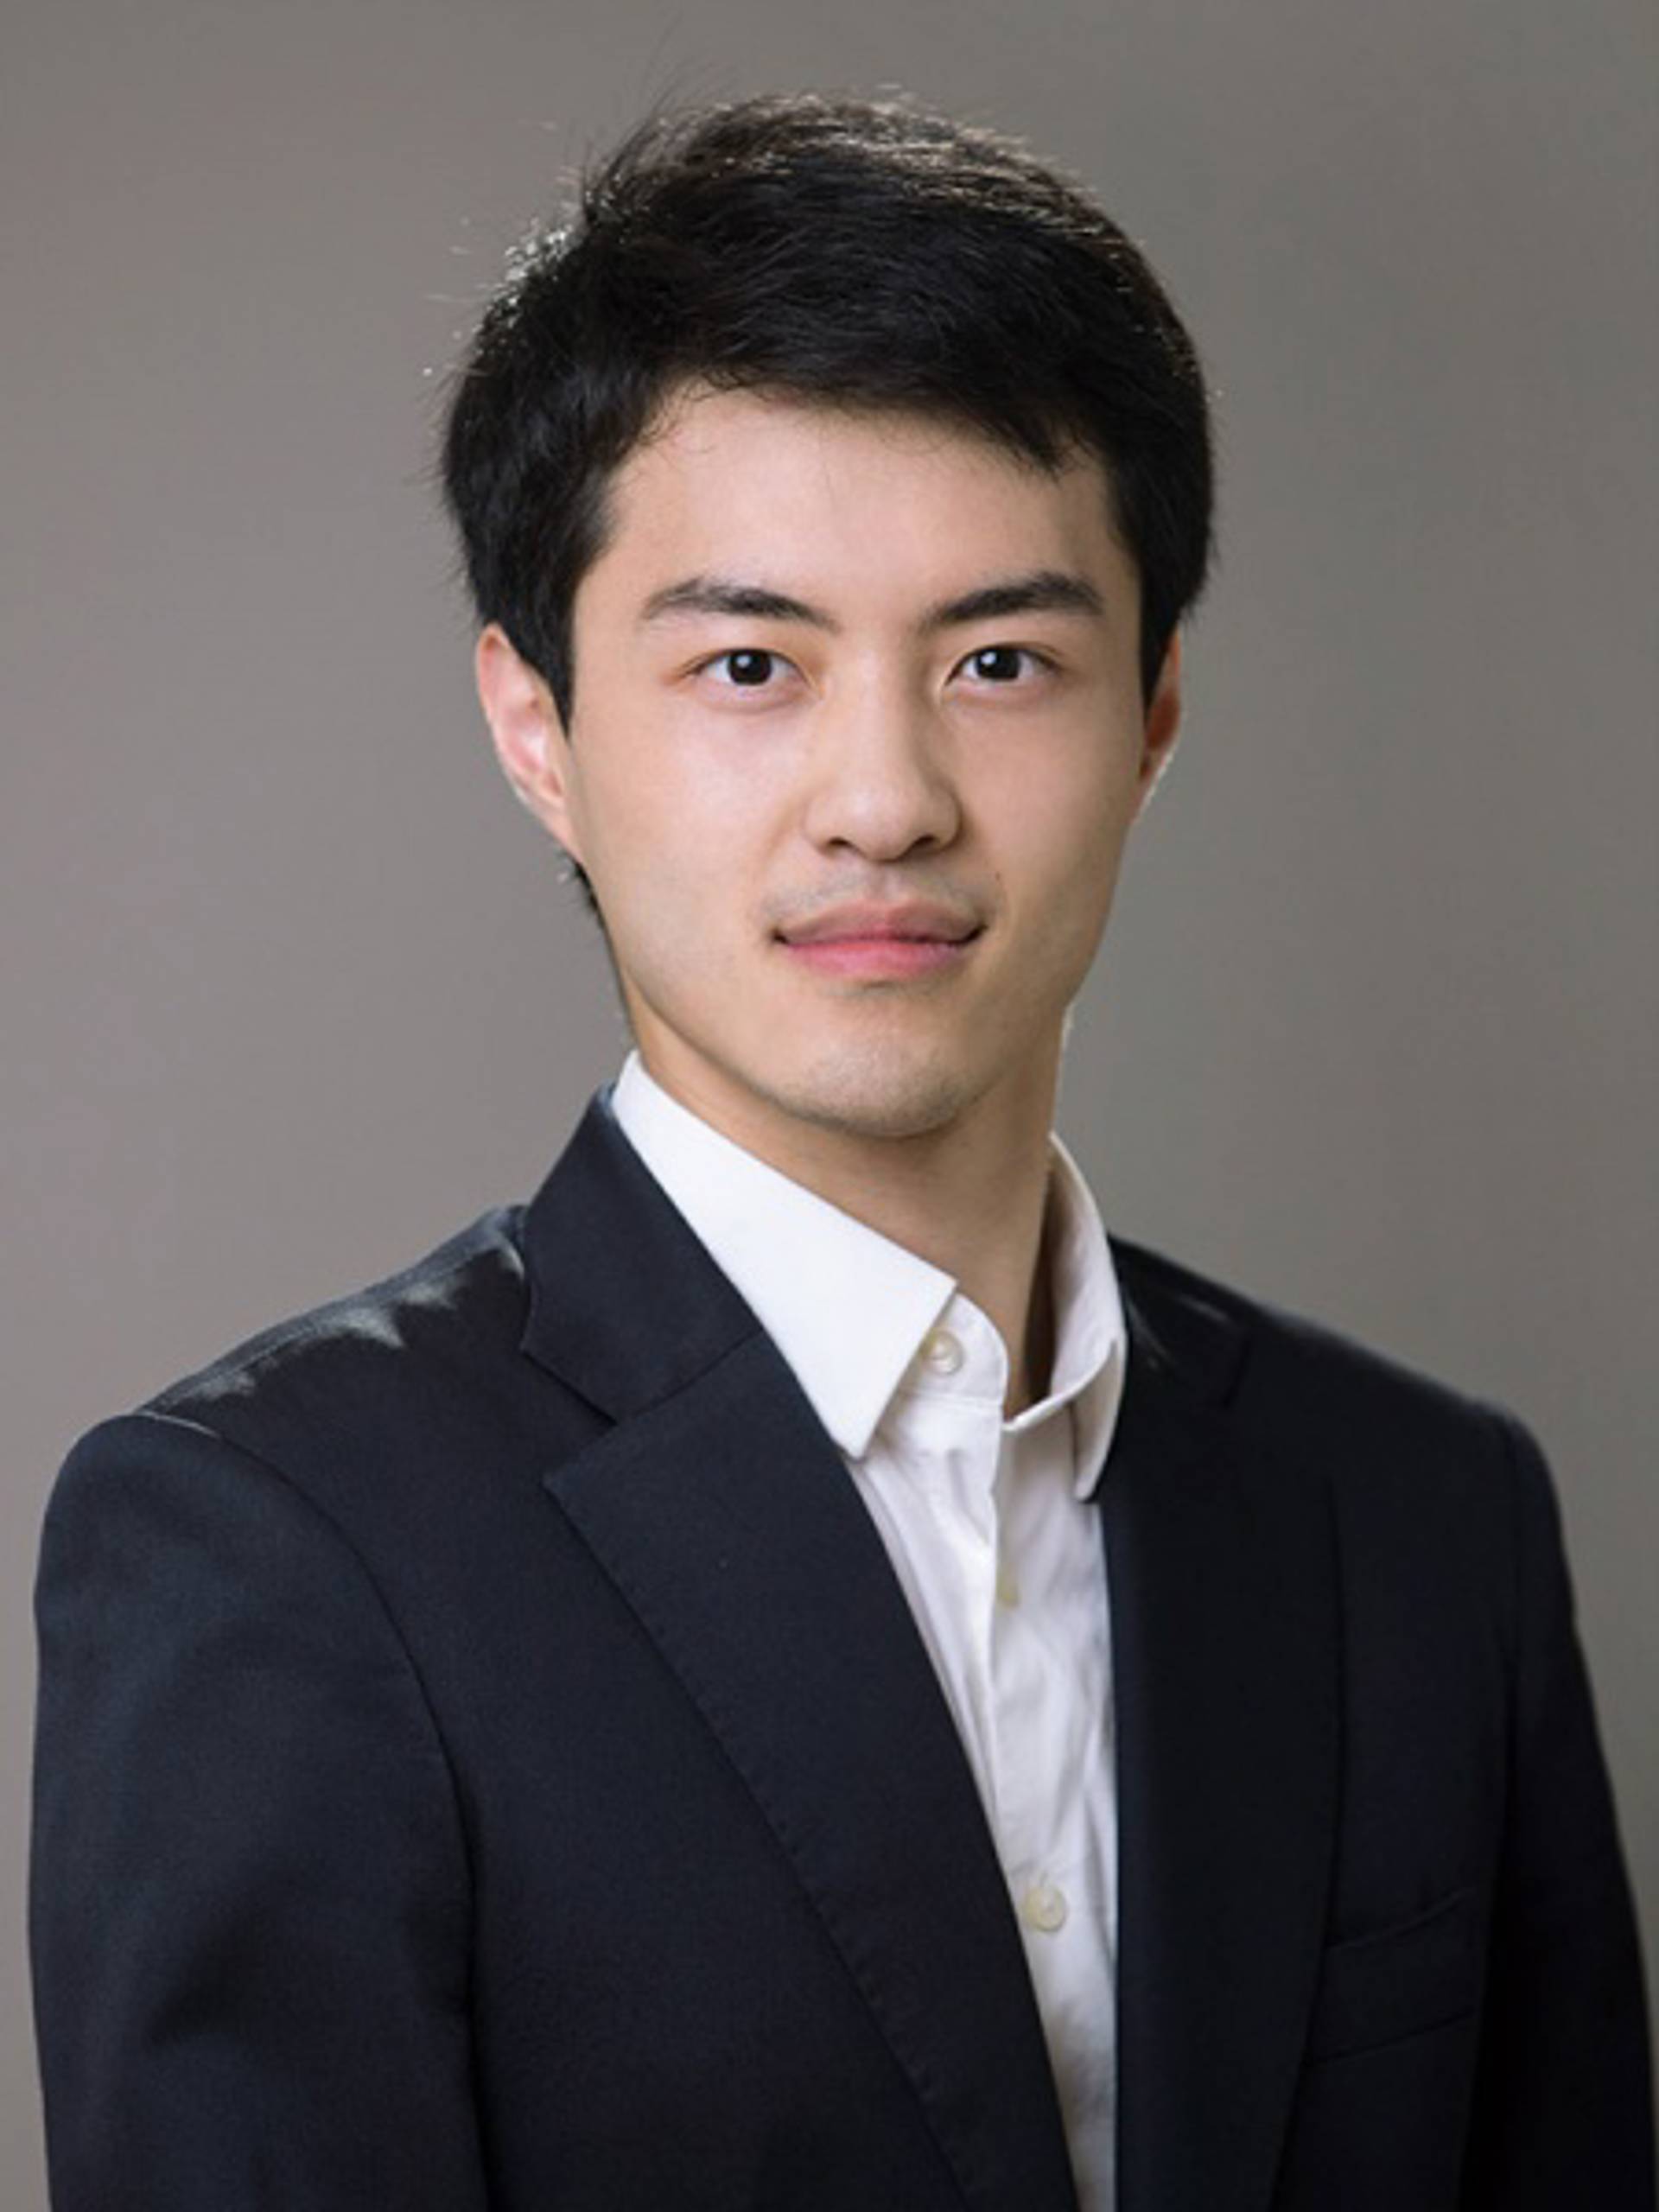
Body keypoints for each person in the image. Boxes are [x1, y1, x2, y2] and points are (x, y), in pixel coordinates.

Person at [29, 90, 1653, 2212]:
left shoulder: (1428, 1520)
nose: (882, 796)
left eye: (998, 659)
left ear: (1157, 709)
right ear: (537, 726)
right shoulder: (275, 1548)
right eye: (747, 663)